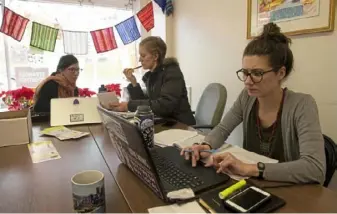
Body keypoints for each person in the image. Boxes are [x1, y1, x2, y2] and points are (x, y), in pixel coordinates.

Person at [181, 23, 326, 184]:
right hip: (254, 185)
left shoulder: (302, 105)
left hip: (289, 190)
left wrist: (249, 168)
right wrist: (205, 145)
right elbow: (223, 129)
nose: (248, 81)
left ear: (281, 73)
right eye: (245, 73)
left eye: (257, 73)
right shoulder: (247, 97)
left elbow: (315, 168)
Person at [109, 36, 196, 125]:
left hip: (181, 125)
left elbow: (164, 106)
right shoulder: (152, 76)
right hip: (165, 123)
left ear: (155, 56)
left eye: (143, 55)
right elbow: (147, 104)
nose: (140, 59)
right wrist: (133, 82)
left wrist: (128, 105)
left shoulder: (172, 72)